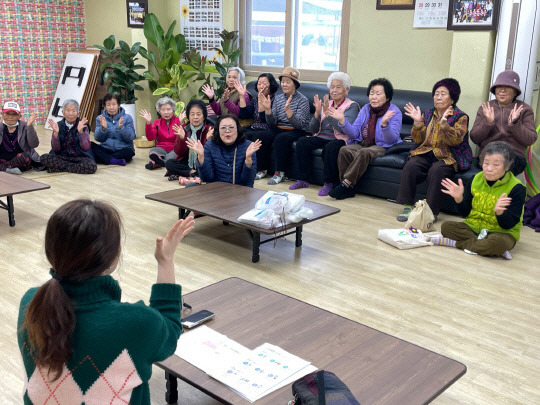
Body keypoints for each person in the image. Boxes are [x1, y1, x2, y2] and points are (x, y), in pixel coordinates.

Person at [17, 199, 194, 404]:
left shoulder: (30, 302)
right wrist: (165, 260)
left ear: (50, 250)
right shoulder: (136, 323)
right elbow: (170, 331)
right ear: (113, 256)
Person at [434, 141, 525, 260]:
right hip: (473, 228)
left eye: (496, 165)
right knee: (446, 227)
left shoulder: (517, 188)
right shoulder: (476, 179)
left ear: (507, 166)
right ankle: (487, 247)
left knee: (497, 243)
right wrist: (459, 199)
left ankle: (455, 243)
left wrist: (500, 213)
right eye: (486, 163)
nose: (489, 169)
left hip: (500, 232)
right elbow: (465, 214)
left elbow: (509, 225)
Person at [396, 78, 469, 222]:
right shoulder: (428, 113)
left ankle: (430, 212)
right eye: (436, 94)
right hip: (426, 151)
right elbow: (417, 139)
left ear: (452, 99)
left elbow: (456, 141)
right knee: (411, 165)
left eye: (443, 94)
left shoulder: (460, 117)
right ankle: (407, 206)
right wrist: (417, 123)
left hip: (448, 155)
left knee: (437, 171)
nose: (438, 97)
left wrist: (446, 127)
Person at [286, 72, 360, 195]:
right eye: (332, 87)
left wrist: (328, 114)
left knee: (330, 148)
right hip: (321, 136)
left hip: (340, 139)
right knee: (302, 142)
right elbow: (313, 130)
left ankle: (329, 183)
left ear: (346, 90)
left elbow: (344, 130)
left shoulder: (352, 106)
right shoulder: (327, 103)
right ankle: (303, 179)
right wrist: (317, 113)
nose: (334, 90)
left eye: (338, 87)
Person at [328, 78, 402, 199]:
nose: (373, 97)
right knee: (344, 150)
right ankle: (348, 188)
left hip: (383, 146)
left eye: (378, 94)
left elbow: (391, 140)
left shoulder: (394, 111)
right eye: (372, 93)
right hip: (364, 143)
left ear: (387, 97)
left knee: (364, 152)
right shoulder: (366, 109)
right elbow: (355, 133)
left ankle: (345, 184)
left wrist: (384, 125)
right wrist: (342, 121)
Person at [470, 70, 537, 175]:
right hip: (489, 156)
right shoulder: (486, 108)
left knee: (498, 169)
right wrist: (487, 123)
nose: (502, 90)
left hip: (514, 157)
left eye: (507, 87)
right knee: (490, 168)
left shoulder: (524, 109)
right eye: (499, 87)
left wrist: (514, 124)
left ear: (515, 92)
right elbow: (474, 138)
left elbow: (530, 139)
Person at [262, 67, 310, 185]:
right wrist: (268, 111)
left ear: (295, 84)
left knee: (281, 138)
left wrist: (289, 112)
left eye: (288, 82)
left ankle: (280, 174)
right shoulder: (278, 99)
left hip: (297, 130)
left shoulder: (303, 100)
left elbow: (300, 124)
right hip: (280, 128)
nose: (284, 84)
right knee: (262, 135)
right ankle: (261, 169)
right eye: (282, 82)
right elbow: (272, 122)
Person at [186, 114, 261, 187]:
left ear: (238, 130)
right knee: (190, 187)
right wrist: (201, 156)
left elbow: (248, 181)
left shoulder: (248, 146)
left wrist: (248, 159)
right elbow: (207, 178)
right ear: (217, 130)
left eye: (231, 127)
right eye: (223, 128)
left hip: (239, 192)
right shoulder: (210, 145)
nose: (227, 131)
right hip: (217, 191)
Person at [236, 73, 280, 180]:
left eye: (264, 83)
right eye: (259, 83)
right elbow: (244, 114)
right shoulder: (255, 99)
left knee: (258, 136)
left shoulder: (276, 99)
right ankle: (241, 165)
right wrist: (242, 96)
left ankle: (262, 169)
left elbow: (270, 122)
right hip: (255, 127)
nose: (261, 86)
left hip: (271, 129)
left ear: (271, 85)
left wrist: (262, 108)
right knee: (240, 133)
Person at [41, 100, 97, 174]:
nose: (71, 113)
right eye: (68, 110)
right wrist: (56, 134)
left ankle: (61, 168)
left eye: (73, 111)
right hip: (62, 156)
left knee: (91, 166)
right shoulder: (58, 125)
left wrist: (80, 132)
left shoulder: (83, 125)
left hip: (79, 157)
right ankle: (70, 167)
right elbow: (55, 149)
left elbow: (86, 147)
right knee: (43, 158)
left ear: (78, 113)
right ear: (63, 113)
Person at [165, 99, 214, 182]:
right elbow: (178, 152)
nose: (195, 117)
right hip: (187, 162)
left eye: (198, 114)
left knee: (211, 167)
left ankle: (188, 174)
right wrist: (181, 138)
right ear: (188, 116)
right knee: (169, 163)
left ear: (204, 116)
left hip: (203, 161)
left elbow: (212, 154)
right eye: (192, 114)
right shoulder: (184, 129)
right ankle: (193, 173)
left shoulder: (209, 129)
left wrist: (208, 140)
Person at [91, 93, 136, 166]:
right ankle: (114, 160)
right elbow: (97, 138)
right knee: (90, 145)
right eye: (108, 105)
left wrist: (122, 128)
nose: (111, 107)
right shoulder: (100, 118)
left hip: (123, 149)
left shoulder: (127, 118)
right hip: (106, 149)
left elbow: (131, 137)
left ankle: (105, 159)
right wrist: (103, 129)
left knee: (128, 152)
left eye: (114, 104)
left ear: (118, 105)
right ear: (104, 107)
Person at [139, 96, 180, 170]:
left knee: (174, 155)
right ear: (159, 111)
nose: (166, 112)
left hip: (174, 149)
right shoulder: (156, 123)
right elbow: (150, 138)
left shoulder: (178, 121)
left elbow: (183, 137)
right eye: (163, 110)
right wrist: (148, 123)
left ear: (173, 110)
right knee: (153, 151)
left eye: (168, 109)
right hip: (161, 148)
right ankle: (161, 161)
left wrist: (182, 122)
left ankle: (156, 163)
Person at [0, 101, 41, 174]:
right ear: (2, 114)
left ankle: (3, 167)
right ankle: (8, 169)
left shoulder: (25, 126)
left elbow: (34, 144)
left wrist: (30, 127)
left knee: (24, 157)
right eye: (7, 114)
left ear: (19, 116)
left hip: (19, 159)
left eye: (14, 114)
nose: (10, 117)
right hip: (3, 158)